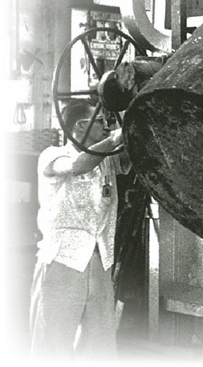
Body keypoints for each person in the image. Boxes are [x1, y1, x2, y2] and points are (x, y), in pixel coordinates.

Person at [29, 99, 131, 365]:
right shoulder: (52, 156)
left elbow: (131, 156)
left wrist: (134, 127)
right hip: (64, 260)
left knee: (100, 350)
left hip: (100, 260)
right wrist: (114, 139)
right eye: (101, 122)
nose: (107, 127)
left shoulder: (107, 161)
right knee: (51, 349)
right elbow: (78, 165)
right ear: (82, 125)